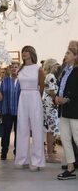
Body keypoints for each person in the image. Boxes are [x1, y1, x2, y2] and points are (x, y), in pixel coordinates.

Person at [14, 45, 45, 171]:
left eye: (26, 51)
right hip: (23, 97)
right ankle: (22, 159)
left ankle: (37, 161)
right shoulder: (20, 69)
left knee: (37, 129)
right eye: (23, 51)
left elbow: (42, 86)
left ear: (31, 53)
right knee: (22, 128)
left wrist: (37, 98)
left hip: (34, 96)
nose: (24, 53)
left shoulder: (39, 69)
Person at [55, 41, 78, 180]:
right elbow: (61, 86)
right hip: (64, 110)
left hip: (75, 110)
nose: (65, 55)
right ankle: (70, 168)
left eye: (68, 53)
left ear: (76, 56)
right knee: (65, 139)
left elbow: (75, 91)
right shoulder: (66, 70)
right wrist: (58, 96)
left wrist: (67, 98)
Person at [0, 61, 21, 160]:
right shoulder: (4, 81)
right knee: (6, 132)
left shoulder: (22, 81)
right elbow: (0, 95)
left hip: (20, 111)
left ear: (19, 69)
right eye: (12, 67)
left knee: (19, 132)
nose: (14, 69)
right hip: (6, 110)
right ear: (9, 69)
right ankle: (4, 151)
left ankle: (17, 151)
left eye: (16, 67)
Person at [42, 59, 60, 163]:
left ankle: (48, 153)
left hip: (46, 104)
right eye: (55, 65)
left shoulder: (46, 76)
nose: (56, 67)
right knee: (51, 130)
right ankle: (50, 155)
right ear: (51, 66)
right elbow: (52, 91)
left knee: (48, 129)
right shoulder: (51, 76)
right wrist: (57, 99)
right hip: (51, 104)